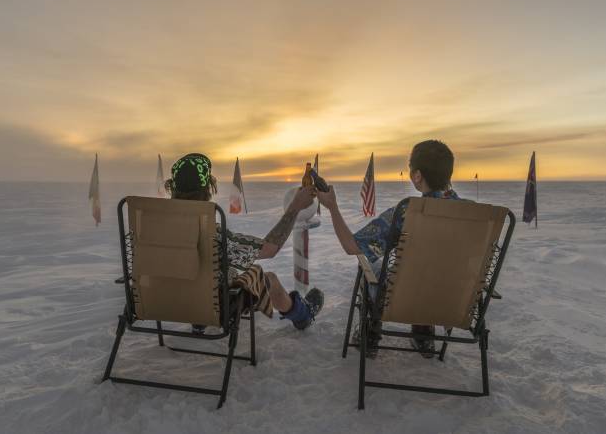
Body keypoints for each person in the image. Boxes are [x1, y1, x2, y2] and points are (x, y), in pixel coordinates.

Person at [316, 140, 460, 358]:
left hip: (402, 299)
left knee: (368, 264)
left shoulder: (407, 212)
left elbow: (352, 247)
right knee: (435, 270)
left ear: (417, 176)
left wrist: (332, 207)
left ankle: (370, 333)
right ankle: (423, 333)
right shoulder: (472, 216)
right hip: (452, 301)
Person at [165, 153, 325, 332]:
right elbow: (270, 249)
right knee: (267, 278)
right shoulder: (210, 233)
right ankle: (302, 315)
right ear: (208, 190)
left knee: (225, 270)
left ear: (172, 188)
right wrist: (295, 206)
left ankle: (198, 320)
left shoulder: (151, 226)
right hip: (212, 305)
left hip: (165, 300)